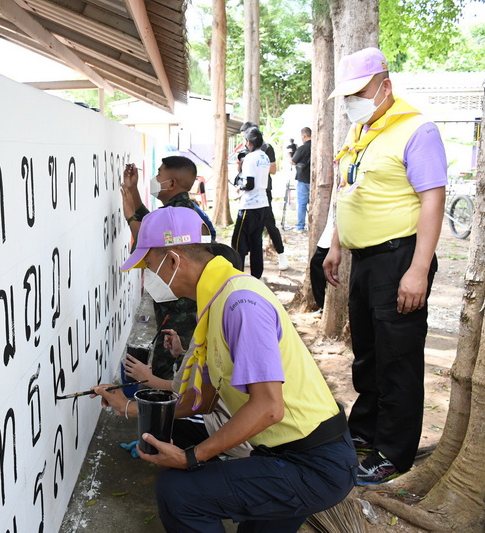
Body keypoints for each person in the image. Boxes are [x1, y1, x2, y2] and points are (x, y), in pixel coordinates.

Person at [95, 206, 357, 532]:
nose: (147, 279)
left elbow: (269, 407)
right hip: (278, 453)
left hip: (312, 463)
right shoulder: (215, 302)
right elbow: (201, 401)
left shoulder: (240, 304)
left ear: (173, 261)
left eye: (148, 267)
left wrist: (191, 457)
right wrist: (130, 408)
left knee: (178, 494)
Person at [323, 47, 447, 484]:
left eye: (359, 92)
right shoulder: (360, 131)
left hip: (400, 258)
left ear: (385, 86)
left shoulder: (416, 130)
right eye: (348, 95)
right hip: (365, 261)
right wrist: (335, 245)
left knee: (398, 358)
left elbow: (433, 200)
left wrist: (418, 269)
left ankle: (394, 452)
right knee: (368, 354)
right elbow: (347, 190)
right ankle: (365, 431)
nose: (352, 102)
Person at [122, 156, 214, 380]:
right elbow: (152, 225)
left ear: (171, 183)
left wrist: (130, 217)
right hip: (176, 306)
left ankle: (168, 397)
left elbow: (150, 241)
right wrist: (133, 192)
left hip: (180, 309)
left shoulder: (182, 214)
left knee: (173, 366)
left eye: (159, 173)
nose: (155, 178)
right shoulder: (181, 211)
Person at [123, 328, 252, 457]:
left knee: (165, 420)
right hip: (243, 422)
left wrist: (128, 406)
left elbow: (182, 392)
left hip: (243, 435)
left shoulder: (212, 325)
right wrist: (181, 354)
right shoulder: (215, 324)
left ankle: (203, 462)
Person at [239, 121, 289, 270]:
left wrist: (256, 165)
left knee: (269, 224)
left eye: (246, 138)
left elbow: (273, 169)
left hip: (263, 192)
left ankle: (281, 255)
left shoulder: (266, 149)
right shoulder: (245, 151)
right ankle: (246, 256)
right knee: (247, 228)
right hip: (247, 194)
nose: (245, 142)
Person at [231, 127, 271, 279]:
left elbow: (249, 184)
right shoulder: (265, 157)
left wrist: (239, 187)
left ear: (248, 142)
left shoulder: (250, 158)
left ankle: (237, 275)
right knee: (256, 243)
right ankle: (256, 277)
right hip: (263, 205)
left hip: (249, 206)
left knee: (238, 243)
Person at [309, 210, 334, 313]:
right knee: (316, 263)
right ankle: (322, 305)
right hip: (330, 230)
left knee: (317, 263)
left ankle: (323, 305)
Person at [292, 127, 312, 231]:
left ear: (304, 136)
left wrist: (289, 154)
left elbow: (293, 161)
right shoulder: (316, 146)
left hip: (303, 179)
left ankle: (300, 226)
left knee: (302, 203)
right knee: (313, 203)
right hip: (314, 179)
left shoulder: (303, 148)